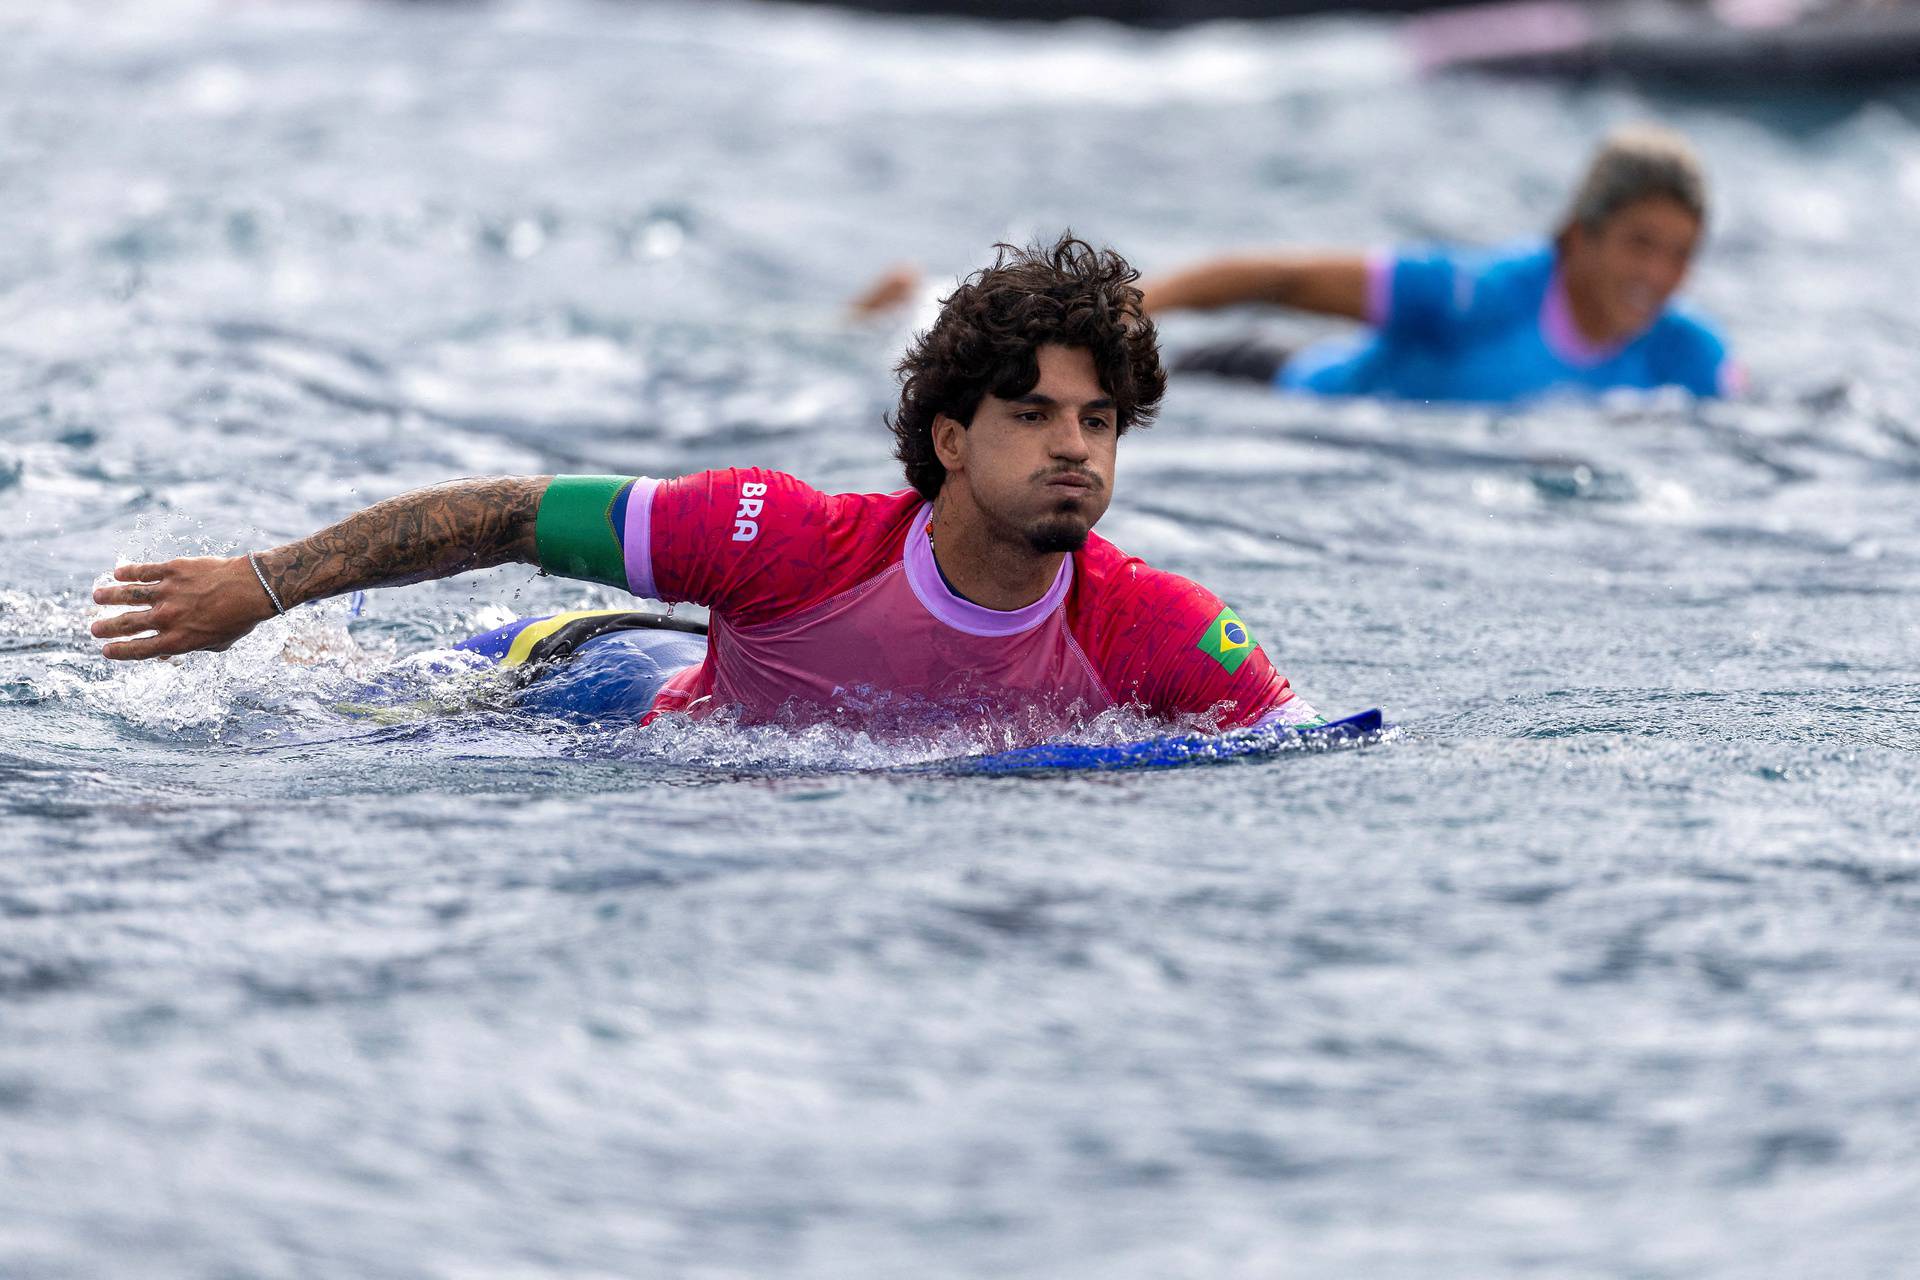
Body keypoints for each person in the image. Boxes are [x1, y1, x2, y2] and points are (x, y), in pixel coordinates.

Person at [91, 235, 1324, 745]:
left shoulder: (1157, 626)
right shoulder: (783, 536)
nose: (1077, 450)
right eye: (1035, 415)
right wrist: (257, 586)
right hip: (575, 683)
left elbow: (1306, 760)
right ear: (950, 437)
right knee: (344, 702)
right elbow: (511, 515)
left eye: (1101, 420)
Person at [1142, 126, 1738, 403]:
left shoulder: (1692, 355)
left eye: (1681, 254)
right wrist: (1134, 306)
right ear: (1579, 237)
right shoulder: (1476, 295)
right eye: (1640, 243)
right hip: (1262, 385)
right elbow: (1282, 279)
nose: (1657, 275)